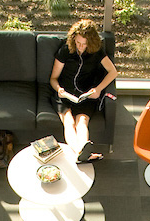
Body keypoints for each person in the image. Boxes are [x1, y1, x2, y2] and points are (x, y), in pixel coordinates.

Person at [50, 19, 117, 163]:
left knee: (82, 122)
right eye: (78, 43)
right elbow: (53, 79)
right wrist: (59, 89)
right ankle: (81, 153)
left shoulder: (97, 52)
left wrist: (98, 89)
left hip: (85, 94)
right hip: (64, 94)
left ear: (91, 42)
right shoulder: (65, 50)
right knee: (68, 122)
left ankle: (81, 153)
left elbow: (113, 72)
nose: (80, 47)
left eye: (84, 44)